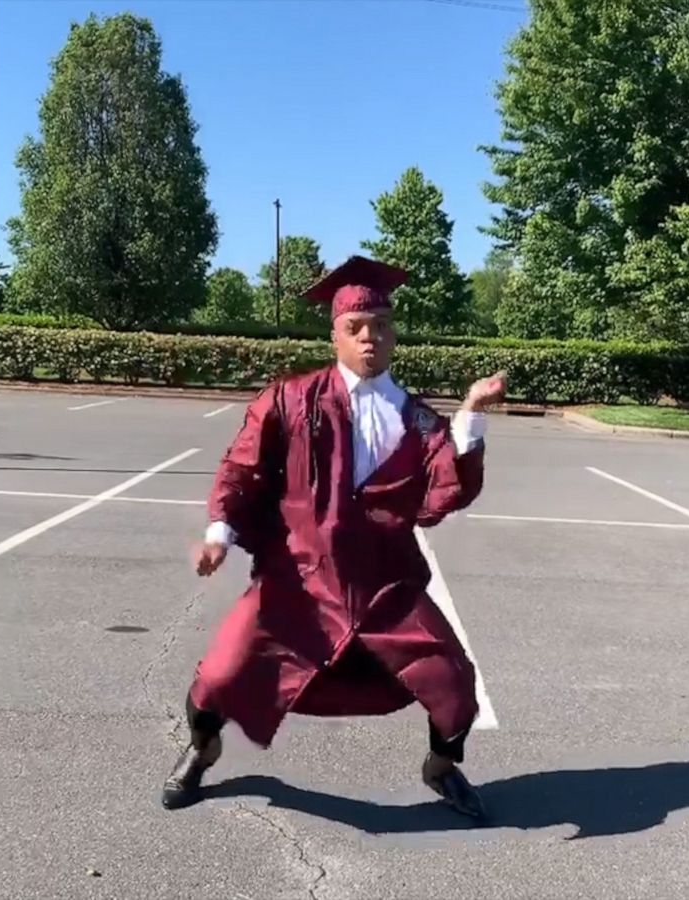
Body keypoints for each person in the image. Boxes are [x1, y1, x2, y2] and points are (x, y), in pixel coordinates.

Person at [161, 255, 507, 819]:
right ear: (335, 334)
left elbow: (447, 493)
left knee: (455, 686)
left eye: (381, 326)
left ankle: (440, 768)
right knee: (221, 676)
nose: (370, 338)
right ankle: (202, 750)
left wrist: (470, 415)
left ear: (394, 333)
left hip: (385, 589)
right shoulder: (291, 400)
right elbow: (241, 467)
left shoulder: (419, 421)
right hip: (298, 581)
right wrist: (218, 533)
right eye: (356, 328)